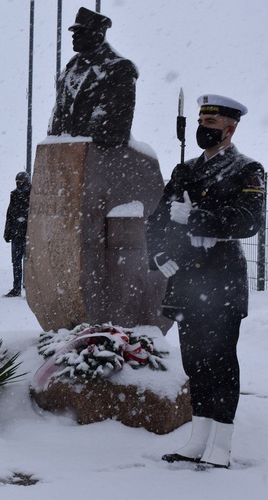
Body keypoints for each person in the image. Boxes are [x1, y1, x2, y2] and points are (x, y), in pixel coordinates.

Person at [146, 95, 265, 468]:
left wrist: (198, 217)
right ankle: (198, 439)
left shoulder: (249, 170)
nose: (203, 131)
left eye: (211, 126)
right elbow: (158, 219)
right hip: (184, 280)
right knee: (195, 362)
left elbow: (249, 219)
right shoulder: (183, 171)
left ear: (230, 129)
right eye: (201, 123)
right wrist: (161, 254)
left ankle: (222, 443)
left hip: (221, 282)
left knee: (221, 362)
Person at [48, 7, 138, 145]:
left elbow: (116, 126)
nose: (74, 35)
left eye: (81, 31)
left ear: (98, 35)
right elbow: (58, 115)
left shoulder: (119, 68)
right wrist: (54, 142)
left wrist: (83, 142)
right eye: (74, 31)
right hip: (65, 154)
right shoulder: (70, 68)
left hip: (98, 156)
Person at [4, 171, 31, 297]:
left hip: (28, 234)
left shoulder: (32, 195)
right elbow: (9, 214)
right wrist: (7, 232)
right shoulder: (14, 195)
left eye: (20, 182)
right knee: (16, 262)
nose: (18, 184)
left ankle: (29, 286)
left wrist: (24, 219)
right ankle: (17, 288)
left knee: (29, 262)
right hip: (16, 234)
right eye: (17, 182)